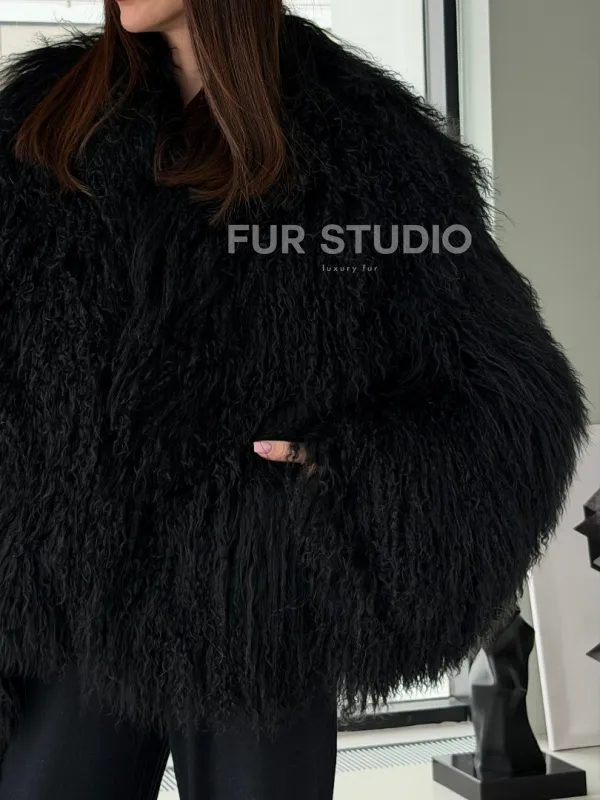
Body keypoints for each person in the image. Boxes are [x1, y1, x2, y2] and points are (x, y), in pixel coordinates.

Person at [0, 0, 588, 797]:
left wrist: (349, 466)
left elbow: (504, 387)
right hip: (70, 592)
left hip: (257, 593)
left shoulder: (369, 146)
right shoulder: (42, 119)